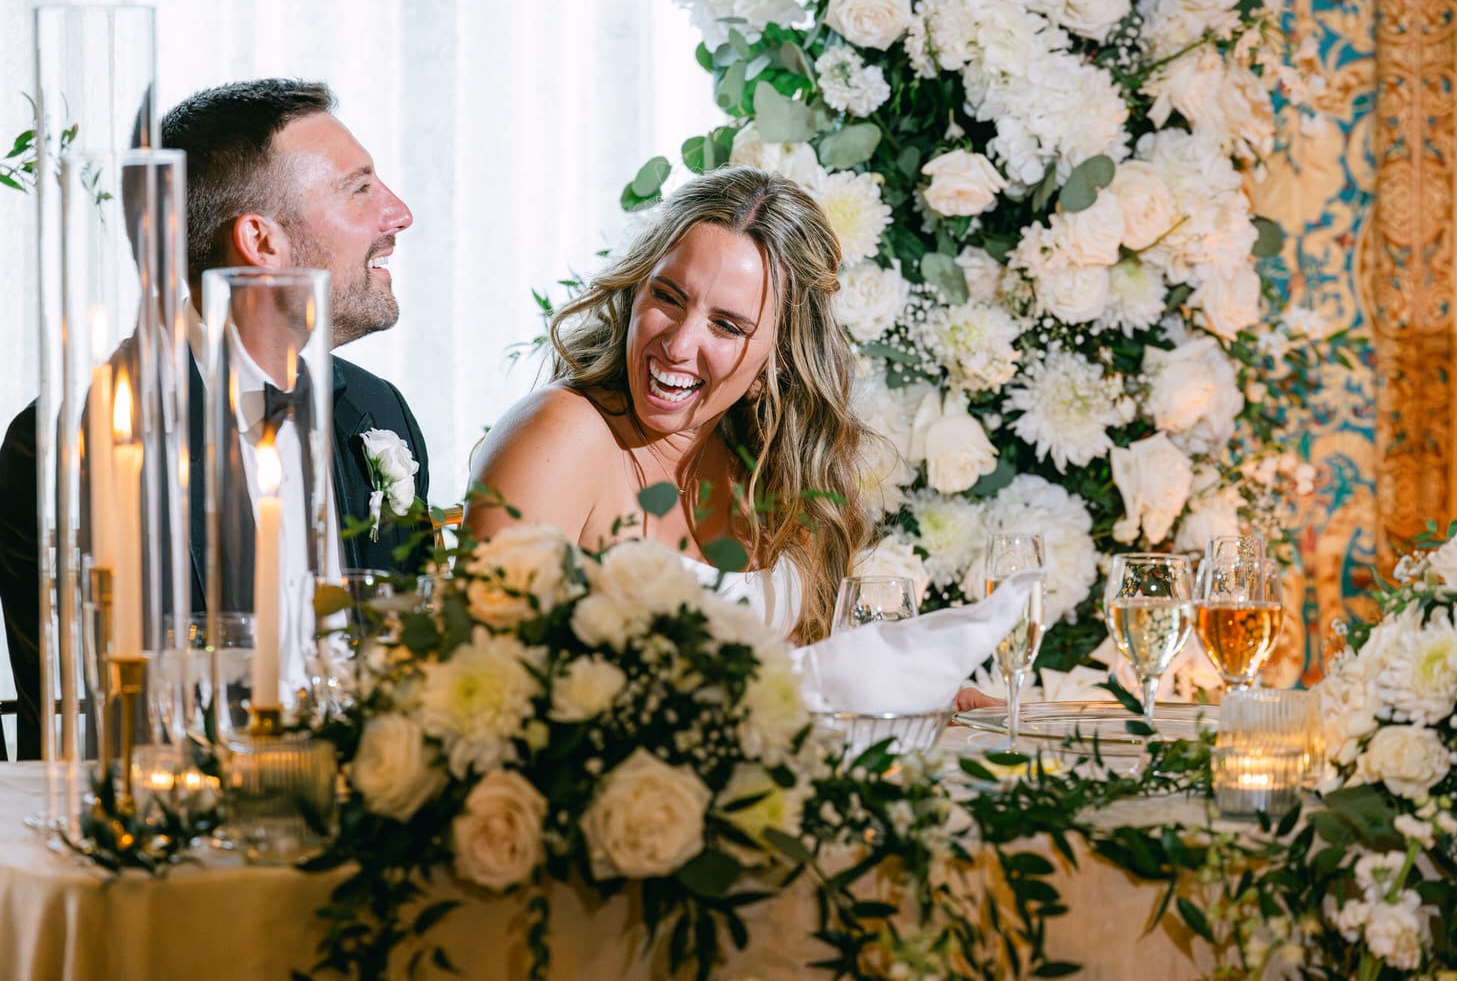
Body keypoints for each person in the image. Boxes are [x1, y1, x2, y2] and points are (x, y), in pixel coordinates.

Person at [0, 78, 430, 757]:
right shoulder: (82, 441)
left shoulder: (380, 415)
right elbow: (92, 736)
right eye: (360, 189)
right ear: (261, 241)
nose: (399, 213)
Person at [464, 166, 872, 644]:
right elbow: (483, 673)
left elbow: (816, 669)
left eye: (726, 325)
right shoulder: (563, 433)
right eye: (667, 297)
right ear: (636, 286)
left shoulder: (778, 464)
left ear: (780, 357)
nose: (678, 345)